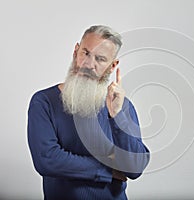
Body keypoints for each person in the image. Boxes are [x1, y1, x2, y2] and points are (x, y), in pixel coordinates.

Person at [27, 25, 150, 200]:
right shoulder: (44, 101)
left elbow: (135, 168)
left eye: (100, 59)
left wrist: (117, 116)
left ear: (112, 65)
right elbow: (47, 159)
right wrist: (109, 170)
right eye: (85, 53)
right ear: (76, 51)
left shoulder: (121, 106)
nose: (88, 64)